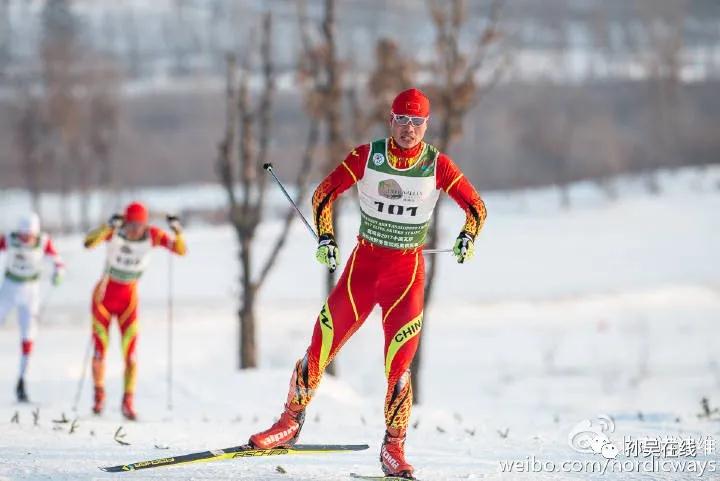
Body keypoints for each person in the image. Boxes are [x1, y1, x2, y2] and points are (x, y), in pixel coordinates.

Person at [248, 88, 487, 478]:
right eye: (402, 120)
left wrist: (466, 238)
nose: (409, 129)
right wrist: (326, 238)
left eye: (417, 122)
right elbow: (325, 194)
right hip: (362, 271)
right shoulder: (367, 156)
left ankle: (394, 448)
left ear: (427, 125)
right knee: (318, 347)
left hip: (405, 279)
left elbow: (476, 207)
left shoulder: (437, 165)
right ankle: (289, 422)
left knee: (399, 371)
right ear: (391, 120)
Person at [83, 202, 186, 420]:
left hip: (128, 302)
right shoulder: (115, 232)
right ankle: (99, 395)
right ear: (125, 221)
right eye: (131, 224)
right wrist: (107, 226)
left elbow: (180, 250)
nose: (135, 229)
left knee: (131, 354)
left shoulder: (153, 235)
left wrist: (178, 231)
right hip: (103, 298)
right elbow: (88, 243)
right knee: (100, 349)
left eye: (139, 224)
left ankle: (128, 401)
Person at [0, 213, 65, 403]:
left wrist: (58, 273)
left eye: (29, 235)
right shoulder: (9, 239)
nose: (25, 238)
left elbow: (58, 262)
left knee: (28, 335)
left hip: (31, 292)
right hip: (9, 288)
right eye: (23, 234)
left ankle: (22, 380)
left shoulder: (43, 242)